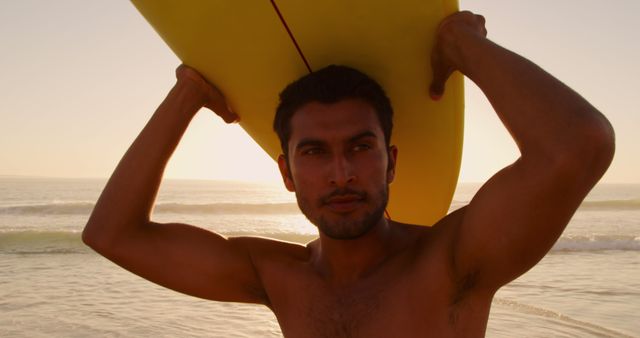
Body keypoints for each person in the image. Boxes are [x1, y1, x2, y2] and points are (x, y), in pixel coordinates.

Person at [83, 11, 614, 337]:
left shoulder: (450, 262)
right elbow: (111, 234)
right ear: (286, 172)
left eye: (360, 147)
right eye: (314, 153)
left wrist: (463, 46)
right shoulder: (277, 275)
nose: (341, 174)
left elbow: (577, 145)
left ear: (392, 161)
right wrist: (188, 95)